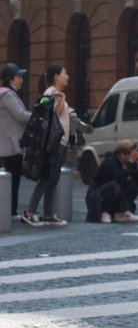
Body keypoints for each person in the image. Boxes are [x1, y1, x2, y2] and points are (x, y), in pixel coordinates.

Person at [22, 65, 70, 227]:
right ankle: (29, 212)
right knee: (47, 178)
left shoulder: (53, 93)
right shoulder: (51, 93)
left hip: (60, 143)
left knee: (53, 180)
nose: (67, 76)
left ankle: (48, 215)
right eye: (64, 74)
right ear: (56, 76)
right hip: (54, 143)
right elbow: (54, 115)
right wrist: (62, 98)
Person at [85, 139, 138, 223]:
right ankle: (104, 213)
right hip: (96, 199)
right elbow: (120, 179)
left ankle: (120, 212)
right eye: (131, 155)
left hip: (114, 197)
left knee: (137, 183)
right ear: (122, 154)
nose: (133, 158)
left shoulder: (126, 163)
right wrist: (130, 162)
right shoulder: (110, 161)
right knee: (115, 184)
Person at [0, 63, 31, 220]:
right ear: (9, 79)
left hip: (4, 144)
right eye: (18, 77)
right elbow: (20, 115)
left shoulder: (3, 94)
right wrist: (36, 116)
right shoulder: (8, 95)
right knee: (13, 180)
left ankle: (8, 211)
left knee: (7, 180)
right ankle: (11, 212)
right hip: (11, 145)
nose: (21, 80)